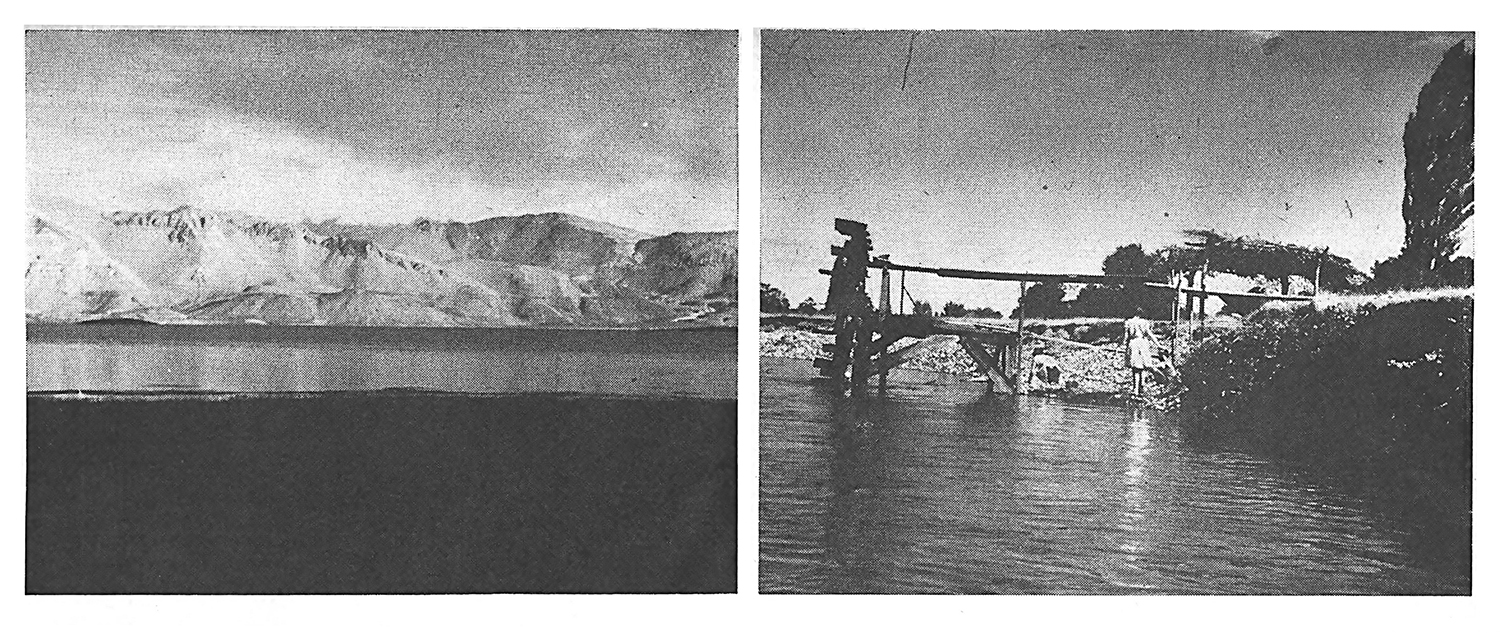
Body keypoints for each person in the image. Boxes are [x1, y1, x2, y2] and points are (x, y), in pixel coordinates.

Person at [1123, 307, 1157, 398]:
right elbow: (1149, 334)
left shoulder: (1129, 322)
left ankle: (1135, 390)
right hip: (1143, 343)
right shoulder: (1144, 322)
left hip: (1133, 344)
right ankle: (1142, 387)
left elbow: (1126, 337)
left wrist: (1124, 345)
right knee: (1144, 366)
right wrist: (1158, 344)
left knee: (1135, 368)